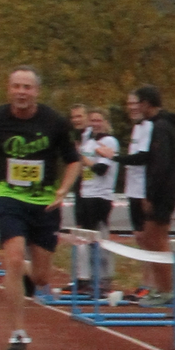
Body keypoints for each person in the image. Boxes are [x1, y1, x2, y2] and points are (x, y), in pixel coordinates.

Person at [0, 68, 80, 350]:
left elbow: (73, 161)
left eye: (27, 87)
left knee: (41, 278)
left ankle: (28, 271)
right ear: (9, 89)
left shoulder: (54, 122)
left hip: (45, 202)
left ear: (36, 91)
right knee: (12, 259)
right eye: (16, 86)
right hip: (9, 196)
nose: (21, 92)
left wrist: (63, 190)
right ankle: (18, 334)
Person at [120, 85, 175, 295]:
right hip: (165, 191)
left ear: (146, 103)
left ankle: (166, 290)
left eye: (138, 103)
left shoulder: (161, 127)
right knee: (152, 239)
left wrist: (150, 195)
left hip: (163, 193)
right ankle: (162, 288)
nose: (136, 108)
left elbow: (160, 165)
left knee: (156, 241)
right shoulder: (163, 125)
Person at [73, 107, 120, 290]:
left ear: (106, 122)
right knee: (84, 236)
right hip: (86, 192)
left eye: (99, 120)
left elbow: (101, 169)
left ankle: (103, 278)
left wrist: (84, 159)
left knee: (98, 236)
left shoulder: (108, 141)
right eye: (92, 121)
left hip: (101, 195)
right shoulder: (89, 141)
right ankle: (84, 277)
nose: (95, 124)